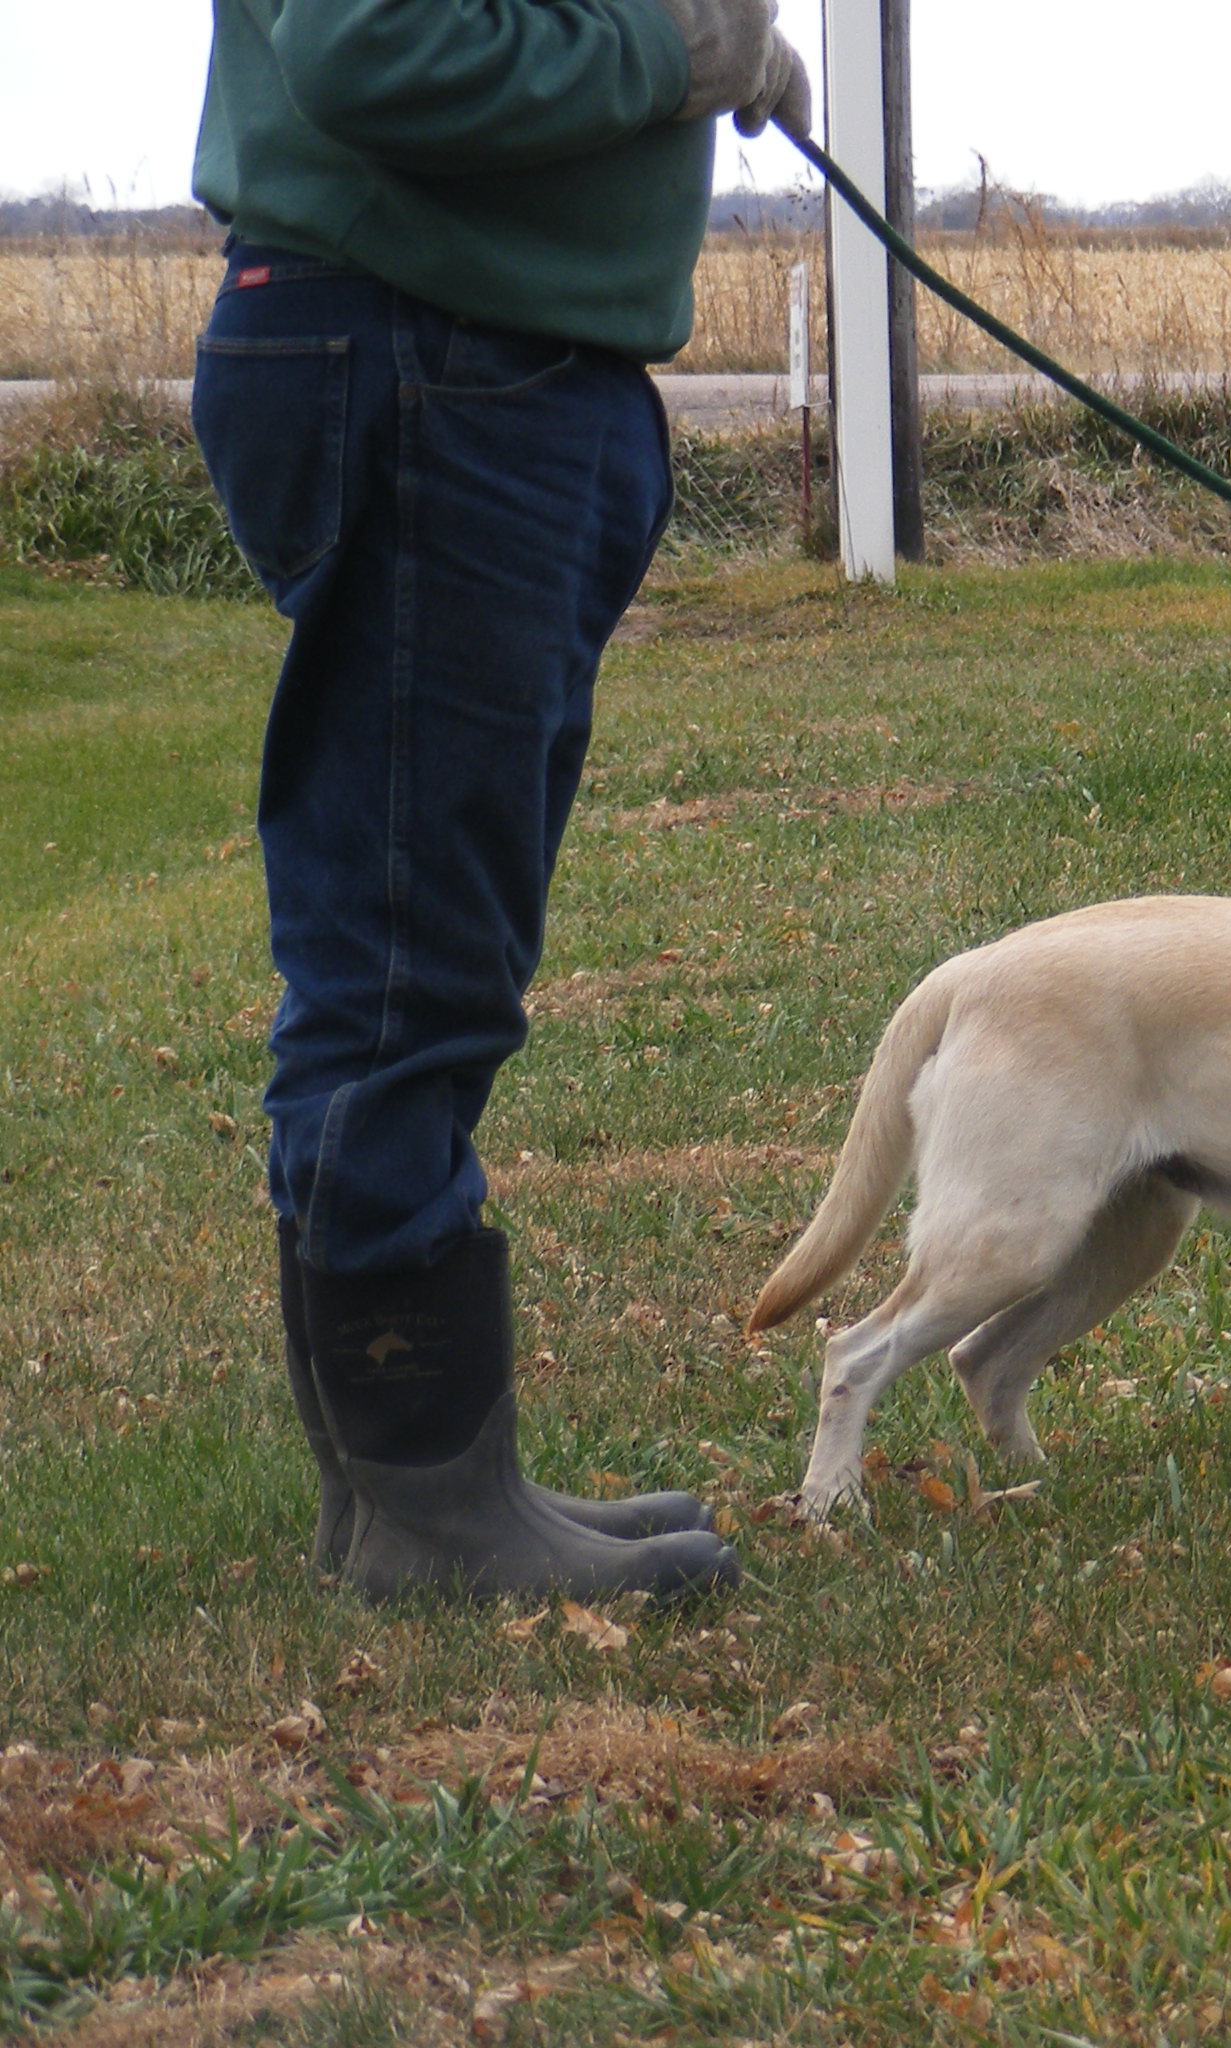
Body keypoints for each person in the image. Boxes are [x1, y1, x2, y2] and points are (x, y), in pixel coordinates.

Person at [189, 0, 813, 1601]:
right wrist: (669, 64)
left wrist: (696, 51)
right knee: (408, 961)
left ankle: (411, 1486)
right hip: (429, 350)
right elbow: (375, 45)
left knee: (426, 945)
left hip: (487, 358)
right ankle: (428, 1510)